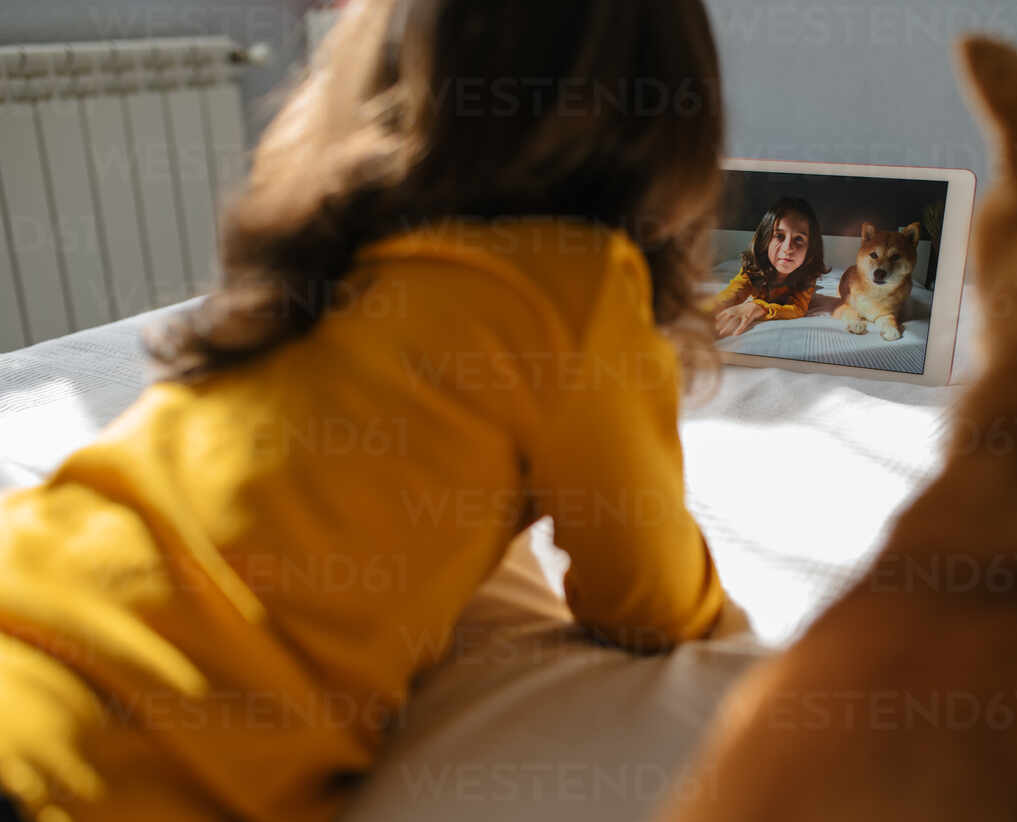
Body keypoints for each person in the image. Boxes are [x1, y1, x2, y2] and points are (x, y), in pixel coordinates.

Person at [0, 1, 729, 819]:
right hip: (98, 762)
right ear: (668, 113)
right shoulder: (578, 283)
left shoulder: (320, 257)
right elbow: (651, 602)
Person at [709, 197, 831, 338]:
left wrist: (757, 307)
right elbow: (733, 293)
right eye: (779, 236)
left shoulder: (807, 277)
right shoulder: (753, 270)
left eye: (798, 239)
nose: (787, 248)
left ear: (810, 248)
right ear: (765, 239)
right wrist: (708, 311)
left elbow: (798, 309)